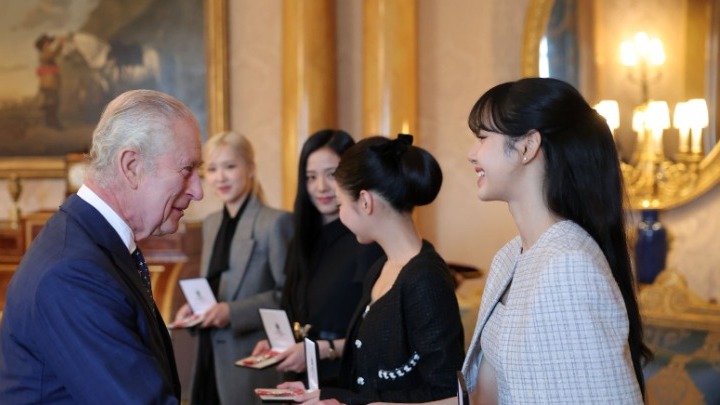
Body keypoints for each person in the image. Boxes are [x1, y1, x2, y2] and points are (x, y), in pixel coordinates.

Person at [0, 89, 203, 404]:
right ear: (131, 166)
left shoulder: (90, 241)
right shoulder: (74, 273)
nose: (198, 191)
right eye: (187, 170)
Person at [459, 78, 650, 404]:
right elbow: (485, 395)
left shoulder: (569, 264)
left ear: (527, 147)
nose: (471, 154)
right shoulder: (509, 256)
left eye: (483, 138)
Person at [281, 134, 465, 405]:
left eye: (341, 204)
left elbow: (449, 394)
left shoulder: (425, 279)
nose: (340, 214)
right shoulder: (381, 268)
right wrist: (324, 395)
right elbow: (367, 380)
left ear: (365, 202)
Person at [252, 129, 382, 386]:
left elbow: (377, 333)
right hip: (301, 380)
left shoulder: (366, 240)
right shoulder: (301, 238)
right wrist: (279, 342)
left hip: (345, 381)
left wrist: (323, 349)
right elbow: (294, 307)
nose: (320, 187)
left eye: (331, 175)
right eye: (311, 177)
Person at [172, 131, 293, 405]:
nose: (220, 178)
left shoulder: (275, 223)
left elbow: (288, 297)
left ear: (250, 168)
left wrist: (231, 312)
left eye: (230, 166)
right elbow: (213, 286)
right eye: (212, 169)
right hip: (208, 354)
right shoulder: (211, 223)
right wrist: (196, 309)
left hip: (249, 357)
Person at [35, 33, 65, 129]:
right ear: (43, 44)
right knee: (52, 102)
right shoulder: (45, 52)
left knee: (51, 102)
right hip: (49, 83)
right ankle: (53, 122)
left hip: (50, 82)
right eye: (47, 43)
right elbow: (53, 55)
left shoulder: (45, 52)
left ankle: (50, 122)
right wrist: (60, 44)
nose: (49, 44)